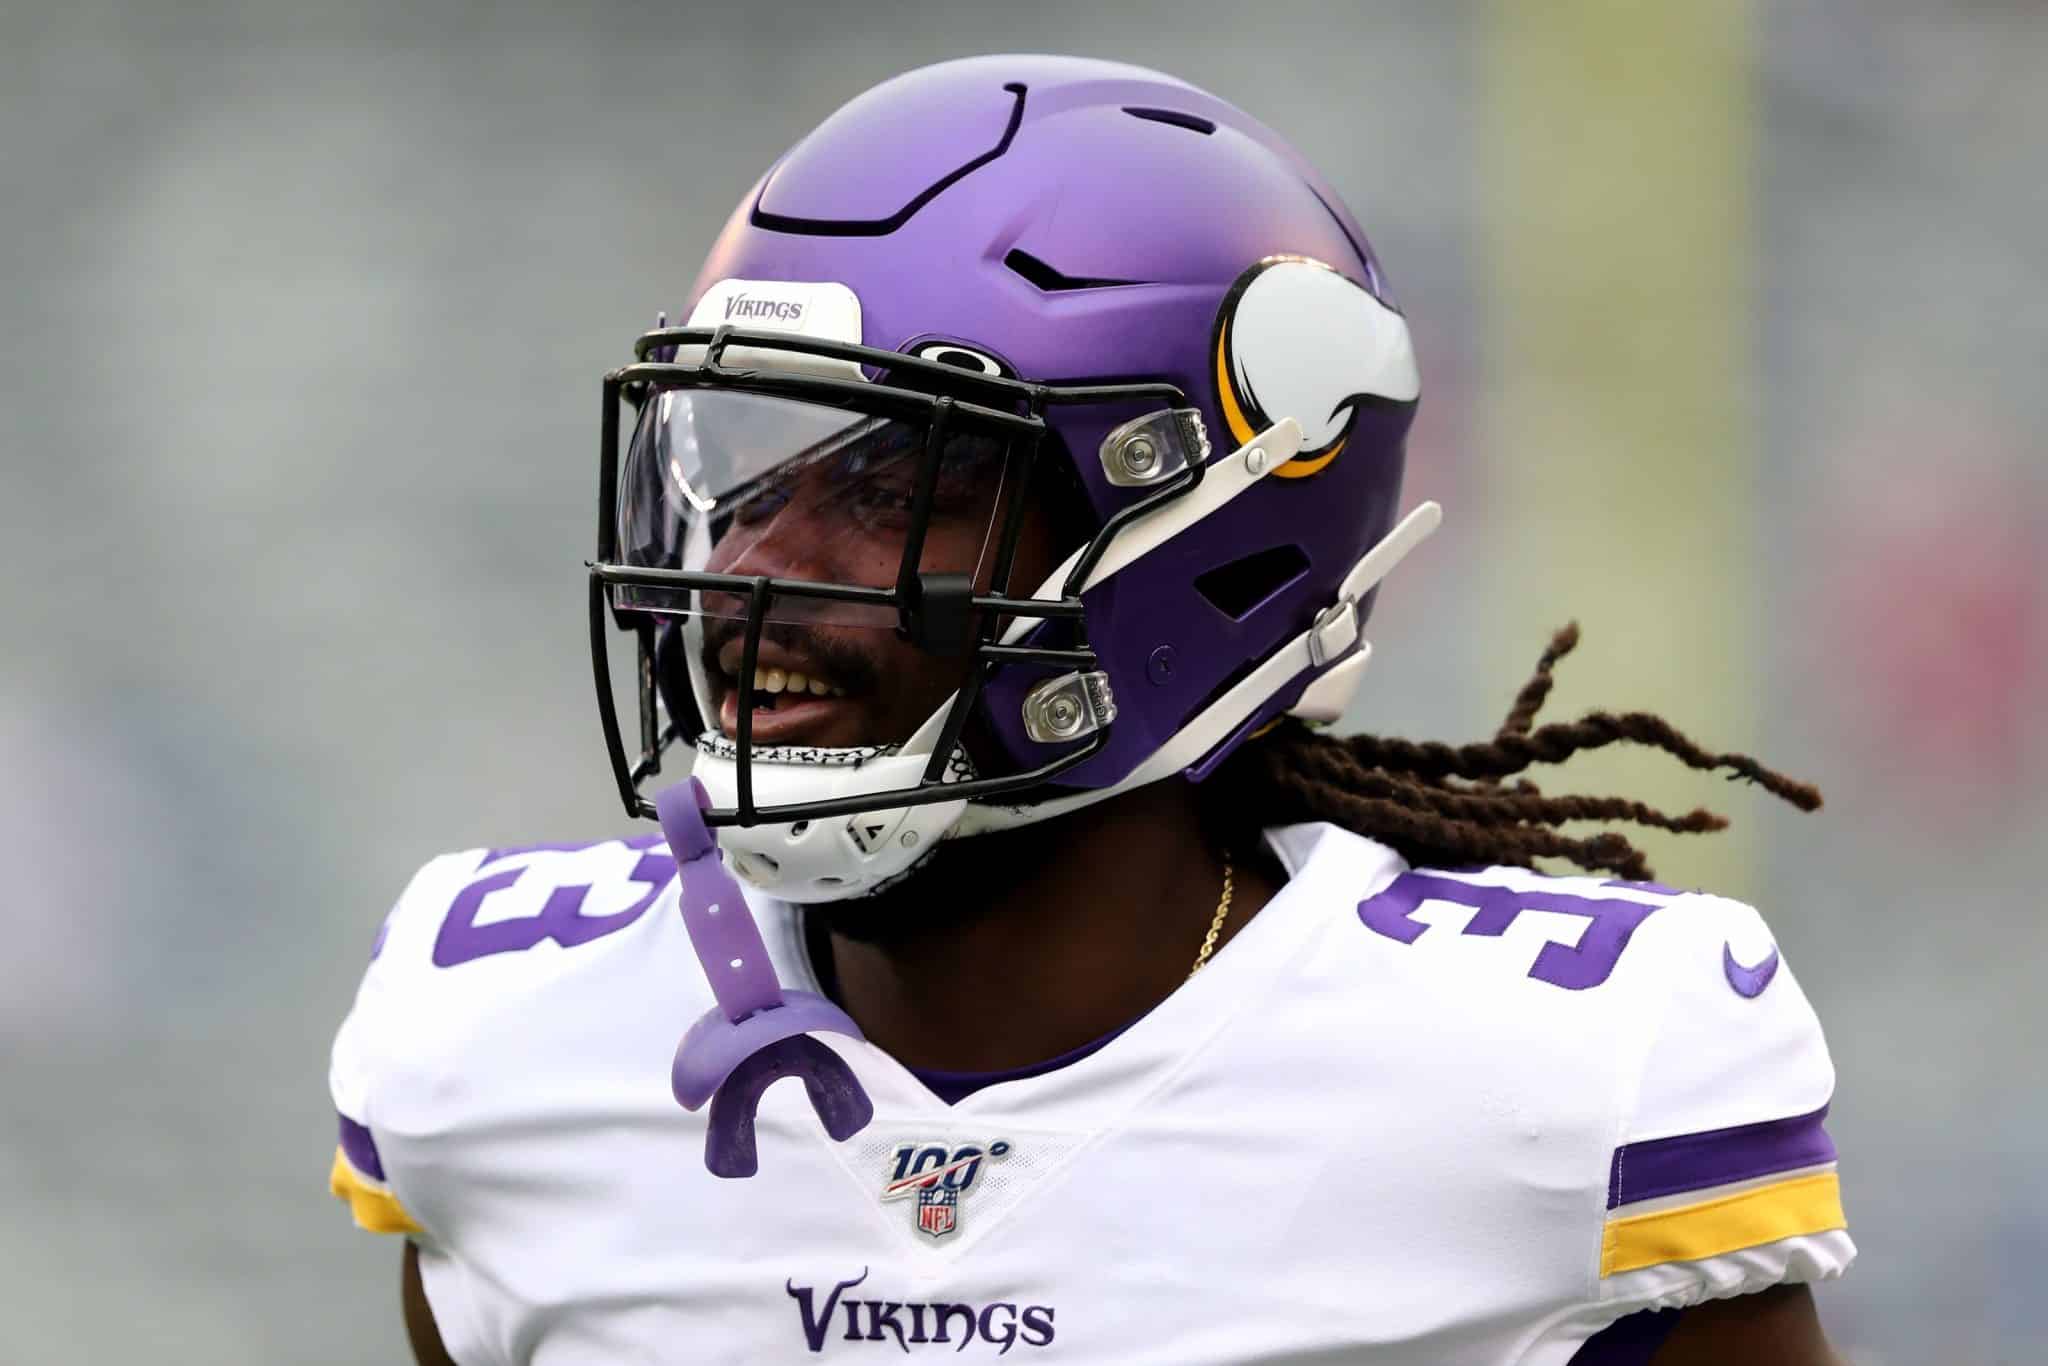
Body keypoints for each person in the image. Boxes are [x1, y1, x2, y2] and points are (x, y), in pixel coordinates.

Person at [329, 54, 1853, 1365]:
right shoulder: (504, 1042)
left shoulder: (1554, 1083)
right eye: (747, 468)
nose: (748, 573)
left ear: (1202, 536)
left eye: (890, 477)